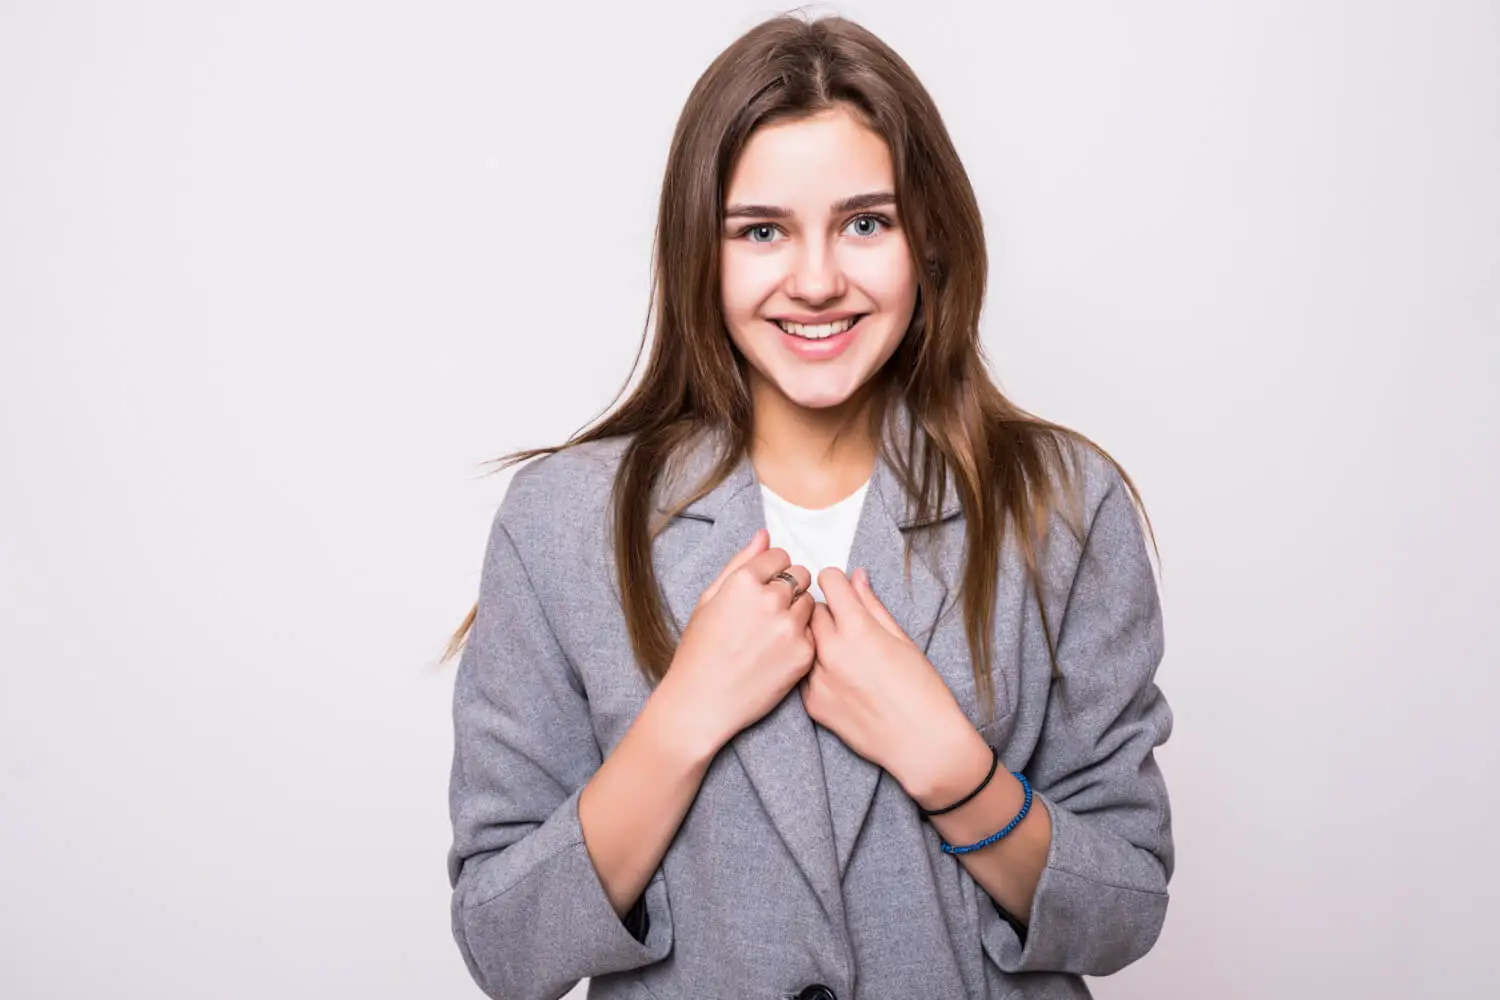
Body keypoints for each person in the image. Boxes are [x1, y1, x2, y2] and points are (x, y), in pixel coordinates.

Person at [444, 13, 1173, 1000]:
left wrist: (955, 771)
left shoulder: (1064, 507)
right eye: (761, 231)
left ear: (930, 239)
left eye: (866, 222)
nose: (819, 280)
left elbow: (1127, 907)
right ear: (701, 252)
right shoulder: (561, 522)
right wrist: (681, 721)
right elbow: (505, 941)